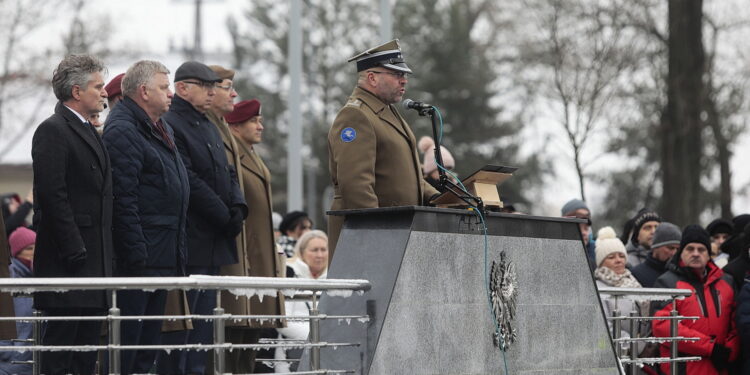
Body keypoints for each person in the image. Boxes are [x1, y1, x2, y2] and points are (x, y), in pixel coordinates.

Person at [102, 60, 190, 374]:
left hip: (160, 253)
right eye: (164, 88)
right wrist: (138, 255)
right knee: (129, 349)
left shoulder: (157, 125)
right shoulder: (124, 129)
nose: (171, 94)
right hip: (140, 260)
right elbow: (123, 200)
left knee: (146, 349)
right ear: (143, 91)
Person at [159, 61, 247, 375]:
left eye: (214, 86)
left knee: (203, 332)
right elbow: (189, 179)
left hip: (214, 241)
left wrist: (238, 206)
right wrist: (224, 214)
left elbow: (227, 171)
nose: (212, 92)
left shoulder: (207, 124)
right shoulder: (172, 124)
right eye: (205, 86)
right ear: (182, 88)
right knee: (184, 328)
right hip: (194, 239)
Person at [31, 54, 113, 375]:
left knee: (85, 354)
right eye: (98, 86)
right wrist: (74, 250)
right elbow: (54, 197)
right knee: (60, 353)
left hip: (95, 261)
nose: (105, 93)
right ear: (77, 92)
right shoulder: (53, 130)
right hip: (69, 263)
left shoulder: (89, 131)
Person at [327, 39, 439, 258]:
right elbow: (356, 186)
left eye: (405, 75)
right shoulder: (356, 115)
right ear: (372, 77)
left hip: (396, 233)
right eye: (397, 75)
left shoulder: (385, 111)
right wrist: (378, 237)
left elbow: (408, 176)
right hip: (368, 238)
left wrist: (444, 200)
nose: (404, 81)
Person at [224, 99, 287, 372]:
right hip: (242, 256)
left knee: (251, 339)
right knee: (234, 339)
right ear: (236, 125)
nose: (260, 126)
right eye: (254, 121)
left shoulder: (250, 154)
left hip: (258, 256)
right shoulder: (232, 154)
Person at [651, 225, 739, 374]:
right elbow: (662, 326)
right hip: (683, 369)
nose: (696, 254)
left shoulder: (727, 282)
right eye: (690, 249)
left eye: (701, 249)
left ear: (708, 254)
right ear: (681, 252)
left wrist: (731, 350)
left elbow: (736, 322)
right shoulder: (667, 283)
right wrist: (710, 348)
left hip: (720, 368)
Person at [275, 230, 329, 373]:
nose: (320, 255)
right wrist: (314, 335)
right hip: (292, 355)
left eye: (323, 249)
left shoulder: (335, 278)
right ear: (302, 252)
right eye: (314, 250)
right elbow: (282, 321)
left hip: (328, 351)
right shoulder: (290, 276)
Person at [0, 227, 35, 375]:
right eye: (31, 248)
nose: (35, 252)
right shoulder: (12, 280)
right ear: (18, 252)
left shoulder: (32, 278)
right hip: (12, 362)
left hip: (24, 360)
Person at [631, 222, 681, 288]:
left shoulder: (680, 274)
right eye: (670, 248)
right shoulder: (636, 274)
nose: (674, 253)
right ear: (656, 247)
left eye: (678, 249)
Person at [561, 198, 595, 271]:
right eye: (578, 228)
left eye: (586, 228)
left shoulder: (598, 252)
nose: (584, 233)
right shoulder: (557, 252)